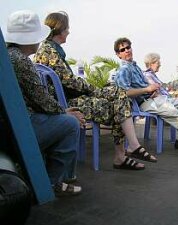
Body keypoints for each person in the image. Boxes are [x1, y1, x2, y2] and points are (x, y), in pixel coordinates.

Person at [34, 11, 156, 170]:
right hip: (67, 103)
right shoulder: (49, 51)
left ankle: (128, 150)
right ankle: (123, 154)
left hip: (67, 97)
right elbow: (69, 81)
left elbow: (66, 80)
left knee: (119, 95)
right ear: (60, 29)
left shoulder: (49, 49)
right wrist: (93, 89)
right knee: (119, 101)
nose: (69, 32)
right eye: (67, 28)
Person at [5, 10, 83, 196]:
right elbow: (42, 100)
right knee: (71, 124)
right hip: (17, 129)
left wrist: (61, 111)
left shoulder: (8, 56)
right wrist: (64, 112)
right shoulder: (20, 61)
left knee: (64, 119)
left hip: (9, 125)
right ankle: (51, 183)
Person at [143, 52, 178, 149]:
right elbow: (154, 91)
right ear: (151, 63)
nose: (159, 64)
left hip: (165, 100)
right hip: (162, 102)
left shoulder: (152, 75)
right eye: (157, 62)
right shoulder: (148, 75)